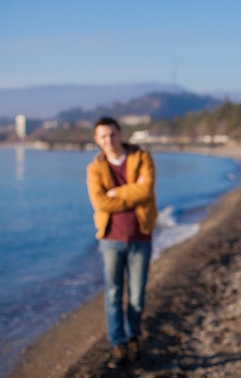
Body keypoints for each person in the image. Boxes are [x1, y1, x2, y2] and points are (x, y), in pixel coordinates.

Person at [86, 116, 158, 369]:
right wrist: (131, 191)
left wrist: (117, 192)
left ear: (120, 133)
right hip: (110, 239)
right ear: (97, 140)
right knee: (114, 294)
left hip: (141, 236)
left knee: (137, 296)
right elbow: (100, 203)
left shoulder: (141, 157)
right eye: (103, 136)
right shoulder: (94, 168)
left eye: (112, 134)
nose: (109, 140)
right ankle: (118, 343)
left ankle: (134, 336)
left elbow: (146, 190)